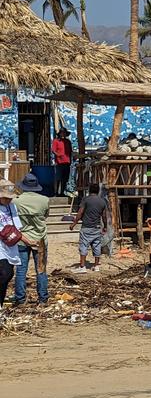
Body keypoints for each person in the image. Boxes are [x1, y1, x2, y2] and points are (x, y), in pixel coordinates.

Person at [12, 173, 50, 305]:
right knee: (41, 269)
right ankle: (43, 298)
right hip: (40, 239)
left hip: (23, 238)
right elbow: (45, 216)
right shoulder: (45, 200)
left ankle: (20, 298)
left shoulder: (16, 201)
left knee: (21, 271)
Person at [69, 183, 107, 273]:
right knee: (97, 246)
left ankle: (82, 266)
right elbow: (104, 216)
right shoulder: (102, 201)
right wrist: (105, 226)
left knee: (83, 246)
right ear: (98, 191)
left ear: (89, 190)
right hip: (97, 227)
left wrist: (74, 224)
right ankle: (96, 265)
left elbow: (80, 213)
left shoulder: (86, 200)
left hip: (86, 227)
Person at [0, 180, 23, 307]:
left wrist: (28, 241)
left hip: (10, 244)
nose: (9, 200)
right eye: (6, 198)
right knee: (4, 273)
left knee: (9, 274)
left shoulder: (12, 206)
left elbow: (17, 227)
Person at [51, 128, 72, 196]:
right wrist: (58, 155)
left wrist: (70, 160)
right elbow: (53, 150)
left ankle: (62, 192)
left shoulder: (68, 141)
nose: (63, 134)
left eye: (64, 133)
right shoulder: (56, 141)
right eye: (62, 133)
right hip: (59, 162)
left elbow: (70, 151)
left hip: (67, 162)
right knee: (58, 178)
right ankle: (56, 192)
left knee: (65, 179)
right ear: (59, 134)